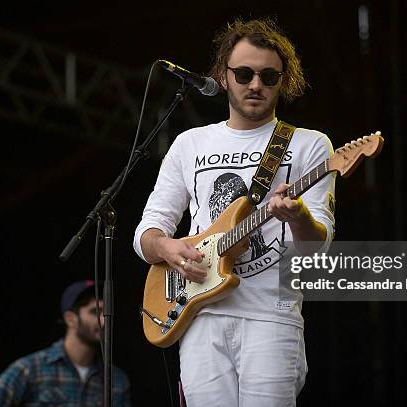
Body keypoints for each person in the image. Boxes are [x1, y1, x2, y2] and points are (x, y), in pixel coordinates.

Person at [133, 18, 336, 407]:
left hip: (271, 317)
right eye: (243, 74)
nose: (255, 85)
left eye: (268, 76)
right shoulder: (190, 142)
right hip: (197, 314)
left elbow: (316, 251)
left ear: (283, 81)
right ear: (222, 77)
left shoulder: (310, 146)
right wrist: (169, 249)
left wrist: (296, 217)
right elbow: (148, 229)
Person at [0, 280, 131, 406]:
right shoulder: (30, 369)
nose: (104, 321)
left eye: (107, 313)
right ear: (71, 319)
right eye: (95, 312)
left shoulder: (116, 381)